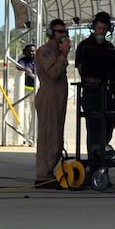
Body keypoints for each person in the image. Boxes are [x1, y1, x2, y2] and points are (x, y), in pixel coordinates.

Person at [75, 11, 115, 165]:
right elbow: (80, 67)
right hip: (92, 94)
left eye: (104, 29)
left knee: (108, 128)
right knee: (94, 130)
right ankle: (94, 165)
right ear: (94, 28)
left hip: (107, 94)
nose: (101, 32)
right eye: (99, 28)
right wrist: (88, 78)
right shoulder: (84, 45)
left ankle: (102, 159)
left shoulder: (109, 46)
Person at [34, 20, 70, 186]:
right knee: (49, 135)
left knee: (56, 135)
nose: (64, 35)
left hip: (58, 96)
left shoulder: (57, 50)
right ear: (51, 33)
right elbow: (53, 73)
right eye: (60, 32)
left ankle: (48, 171)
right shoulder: (46, 51)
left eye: (65, 32)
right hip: (49, 95)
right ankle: (43, 174)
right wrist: (63, 55)